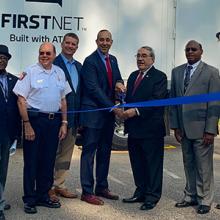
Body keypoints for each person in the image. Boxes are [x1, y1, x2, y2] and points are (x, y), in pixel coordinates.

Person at [13, 42, 71, 214]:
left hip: (54, 122)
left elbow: (63, 101)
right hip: (35, 121)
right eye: (41, 53)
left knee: (48, 161)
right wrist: (27, 124)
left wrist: (64, 123)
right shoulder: (30, 72)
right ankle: (30, 199)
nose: (44, 56)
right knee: (31, 161)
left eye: (47, 53)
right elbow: (20, 100)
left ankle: (43, 195)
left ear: (54, 55)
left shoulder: (59, 72)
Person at [170, 40, 220, 214]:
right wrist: (175, 126)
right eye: (187, 49)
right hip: (183, 129)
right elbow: (174, 103)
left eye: (194, 49)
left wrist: (210, 129)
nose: (190, 52)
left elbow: (214, 103)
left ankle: (205, 199)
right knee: (188, 163)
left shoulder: (211, 73)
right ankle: (190, 195)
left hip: (202, 129)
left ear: (201, 51)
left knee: (203, 167)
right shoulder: (177, 72)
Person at [80, 29, 125, 205]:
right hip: (93, 114)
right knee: (89, 153)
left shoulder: (112, 60)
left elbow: (117, 78)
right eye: (102, 40)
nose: (105, 43)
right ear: (96, 41)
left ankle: (102, 186)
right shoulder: (90, 61)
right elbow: (93, 89)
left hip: (107, 115)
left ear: (111, 42)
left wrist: (120, 84)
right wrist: (113, 107)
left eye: (108, 40)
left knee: (105, 151)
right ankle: (87, 191)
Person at [122, 46, 167, 211]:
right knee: (137, 163)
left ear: (152, 59)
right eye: (138, 56)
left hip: (151, 130)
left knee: (152, 165)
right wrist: (121, 105)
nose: (140, 59)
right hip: (134, 129)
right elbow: (128, 99)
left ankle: (152, 196)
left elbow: (156, 101)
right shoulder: (133, 76)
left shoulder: (160, 77)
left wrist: (136, 111)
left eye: (144, 56)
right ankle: (140, 192)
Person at [49, 33, 82, 201]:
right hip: (56, 118)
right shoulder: (53, 63)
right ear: (62, 44)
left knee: (66, 154)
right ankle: (47, 187)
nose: (70, 46)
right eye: (67, 43)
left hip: (73, 118)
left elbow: (79, 94)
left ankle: (59, 185)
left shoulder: (79, 66)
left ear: (77, 47)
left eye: (74, 44)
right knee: (50, 152)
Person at [0, 45, 21, 220]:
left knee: (3, 168)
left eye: (4, 58)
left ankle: (0, 198)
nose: (1, 60)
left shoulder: (14, 81)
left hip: (8, 132)